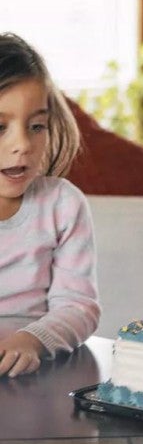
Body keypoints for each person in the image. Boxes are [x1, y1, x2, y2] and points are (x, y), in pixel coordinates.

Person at [0, 33, 100, 378]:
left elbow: (79, 306)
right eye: (0, 127)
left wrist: (32, 340)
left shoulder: (63, 204)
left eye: (36, 126)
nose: (22, 145)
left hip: (41, 375)